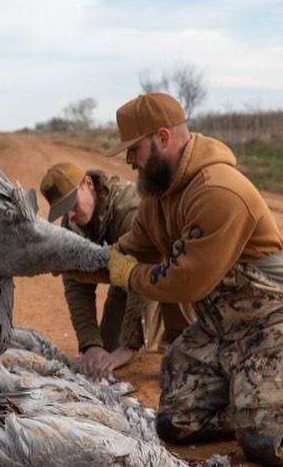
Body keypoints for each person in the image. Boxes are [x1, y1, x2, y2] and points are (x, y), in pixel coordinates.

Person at [92, 91, 283, 467]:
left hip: (272, 324)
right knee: (176, 423)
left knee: (270, 444)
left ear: (162, 138)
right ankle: (270, 399)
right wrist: (52, 256)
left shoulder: (218, 190)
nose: (129, 160)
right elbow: (125, 252)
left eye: (134, 148)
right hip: (220, 331)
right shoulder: (156, 202)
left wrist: (131, 275)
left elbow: (185, 282)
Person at [40, 161, 191, 381]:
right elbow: (76, 285)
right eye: (63, 210)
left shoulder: (128, 209)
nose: (70, 214)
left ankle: (177, 333)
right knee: (106, 349)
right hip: (126, 278)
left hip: (166, 272)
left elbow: (146, 270)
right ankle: (149, 329)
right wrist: (90, 344)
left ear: (88, 184)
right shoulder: (72, 226)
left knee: (147, 348)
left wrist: (129, 345)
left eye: (72, 204)